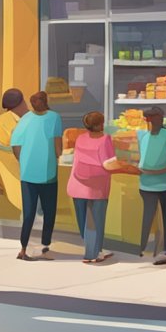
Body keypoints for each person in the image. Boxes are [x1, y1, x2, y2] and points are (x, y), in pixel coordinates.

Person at [10, 91, 63, 261]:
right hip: (48, 173)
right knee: (49, 211)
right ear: (46, 101)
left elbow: (15, 143)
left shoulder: (25, 119)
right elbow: (58, 148)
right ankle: (45, 246)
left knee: (29, 212)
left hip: (28, 173)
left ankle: (23, 248)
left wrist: (23, 161)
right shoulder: (54, 117)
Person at [68, 111, 116, 263]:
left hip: (77, 185)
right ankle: (93, 254)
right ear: (99, 124)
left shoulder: (80, 138)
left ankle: (92, 249)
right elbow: (109, 162)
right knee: (96, 220)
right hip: (96, 186)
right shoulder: (105, 139)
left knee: (84, 220)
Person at [137, 106, 166, 266]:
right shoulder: (143, 137)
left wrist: (152, 171)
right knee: (148, 217)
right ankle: (144, 247)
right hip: (146, 184)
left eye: (155, 117)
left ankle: (165, 249)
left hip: (165, 183)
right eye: (150, 118)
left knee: (165, 217)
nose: (153, 121)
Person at [0, 89, 29, 234]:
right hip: (11, 164)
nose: (26, 104)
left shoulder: (28, 117)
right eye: (23, 101)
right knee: (21, 196)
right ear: (18, 104)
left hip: (21, 162)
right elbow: (7, 144)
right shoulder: (3, 120)